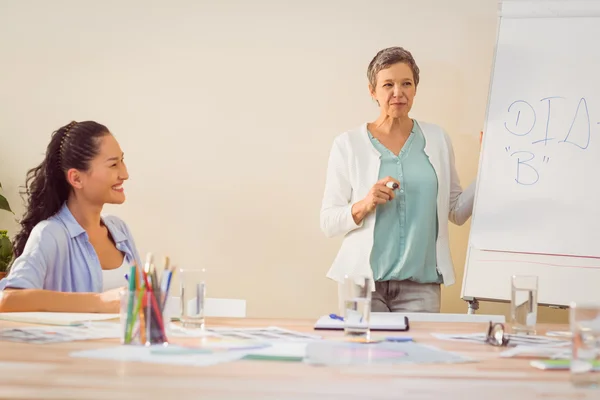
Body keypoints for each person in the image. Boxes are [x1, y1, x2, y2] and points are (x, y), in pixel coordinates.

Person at [320, 47, 476, 313]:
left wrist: (489, 166)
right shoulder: (348, 144)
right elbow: (328, 222)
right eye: (388, 85)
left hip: (421, 287)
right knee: (364, 354)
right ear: (373, 91)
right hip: (362, 285)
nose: (398, 93)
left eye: (406, 83)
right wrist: (365, 204)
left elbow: (456, 211)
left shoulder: (437, 139)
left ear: (415, 88)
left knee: (417, 356)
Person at [0, 121, 141, 313]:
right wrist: (100, 302)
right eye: (114, 164)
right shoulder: (51, 233)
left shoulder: (119, 230)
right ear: (76, 178)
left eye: (122, 161)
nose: (125, 174)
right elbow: (8, 300)